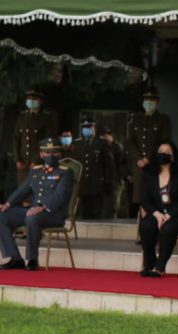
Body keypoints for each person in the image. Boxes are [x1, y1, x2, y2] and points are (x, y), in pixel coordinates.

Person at [0, 138, 73, 270]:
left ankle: (32, 259)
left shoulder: (65, 172)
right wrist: (8, 204)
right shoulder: (36, 171)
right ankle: (15, 259)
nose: (50, 155)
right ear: (41, 155)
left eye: (54, 152)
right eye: (47, 152)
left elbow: (60, 196)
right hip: (33, 211)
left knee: (32, 217)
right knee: (2, 216)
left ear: (59, 154)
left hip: (53, 214)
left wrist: (41, 207)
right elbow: (22, 190)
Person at [138, 141, 178, 277]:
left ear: (173, 157)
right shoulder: (148, 173)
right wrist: (157, 214)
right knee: (146, 226)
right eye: (160, 151)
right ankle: (149, 264)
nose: (163, 154)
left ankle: (160, 267)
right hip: (157, 214)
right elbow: (144, 200)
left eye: (167, 152)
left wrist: (169, 214)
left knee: (168, 228)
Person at [127, 87, 172, 215]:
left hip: (155, 165)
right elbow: (130, 141)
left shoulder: (163, 119)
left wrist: (149, 158)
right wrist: (138, 158)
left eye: (151, 99)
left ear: (157, 102)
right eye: (146, 99)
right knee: (141, 199)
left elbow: (164, 141)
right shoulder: (136, 119)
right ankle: (143, 229)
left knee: (155, 198)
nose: (148, 102)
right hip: (139, 166)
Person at [71, 118, 115, 220]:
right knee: (84, 213)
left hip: (97, 184)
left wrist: (108, 181)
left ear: (94, 128)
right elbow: (75, 163)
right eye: (84, 127)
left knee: (97, 212)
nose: (86, 129)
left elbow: (109, 165)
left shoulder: (102, 143)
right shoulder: (77, 143)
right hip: (82, 184)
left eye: (89, 127)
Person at [13, 89, 59, 185]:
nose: (31, 100)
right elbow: (16, 139)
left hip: (39, 163)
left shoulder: (46, 117)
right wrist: (17, 159)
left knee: (37, 193)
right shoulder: (22, 116)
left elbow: (47, 142)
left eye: (34, 98)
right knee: (22, 193)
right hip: (22, 164)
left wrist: (35, 161)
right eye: (29, 98)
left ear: (41, 101)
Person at [99, 126, 128, 219]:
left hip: (115, 181)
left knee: (114, 206)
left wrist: (120, 178)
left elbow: (121, 164)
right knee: (106, 207)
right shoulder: (102, 146)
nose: (103, 138)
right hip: (106, 180)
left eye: (105, 135)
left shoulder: (117, 146)